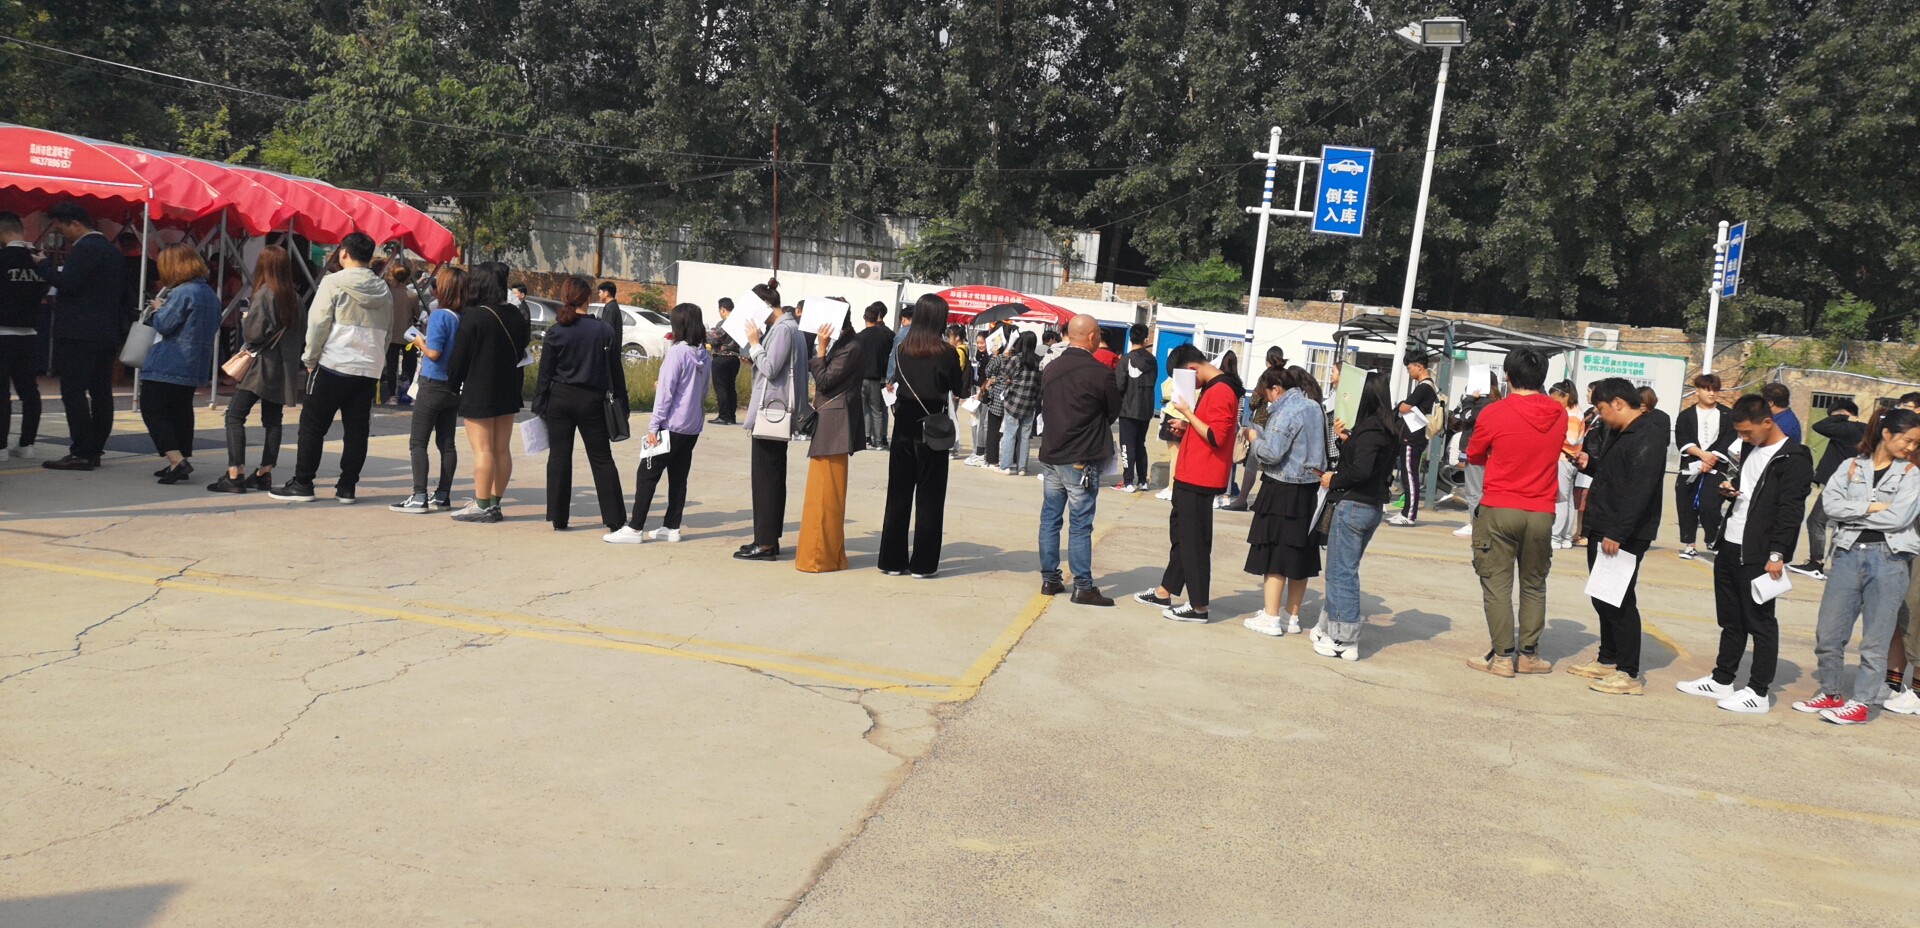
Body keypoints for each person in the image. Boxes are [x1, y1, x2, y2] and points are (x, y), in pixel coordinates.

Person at [1676, 394, 1815, 714]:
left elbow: (1791, 510)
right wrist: (1730, 488)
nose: (1743, 438)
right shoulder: (1753, 448)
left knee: (1760, 621)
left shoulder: (1794, 458)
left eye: (1747, 432)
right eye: (1739, 433)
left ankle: (1758, 691)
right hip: (1730, 542)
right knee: (1730, 618)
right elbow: (1748, 485)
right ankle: (1722, 679)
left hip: (1760, 550)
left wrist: (1778, 554)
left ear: (1767, 422)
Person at [1788, 409, 1920, 724]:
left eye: (1916, 443)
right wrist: (1872, 506)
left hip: (1889, 558)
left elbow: (1899, 518)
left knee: (1876, 637)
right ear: (1887, 434)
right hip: (1847, 554)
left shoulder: (1911, 474)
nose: (1911, 448)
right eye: (1908, 440)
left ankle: (1861, 703)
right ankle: (1831, 692)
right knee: (1828, 633)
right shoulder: (1850, 466)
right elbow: (1830, 506)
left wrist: (1852, 513)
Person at [1464, 347, 1566, 677]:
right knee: (1534, 584)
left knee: (1497, 585)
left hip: (1500, 506)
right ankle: (1529, 654)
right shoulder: (1559, 413)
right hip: (1541, 510)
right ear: (1543, 377)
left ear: (1507, 376)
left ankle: (1503, 657)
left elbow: (1474, 454)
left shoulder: (1494, 412)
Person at [269, 234, 393, 503]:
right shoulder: (384, 289)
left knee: (312, 426)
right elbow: (388, 331)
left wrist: (310, 359)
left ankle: (303, 483)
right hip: (368, 368)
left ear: (344, 253)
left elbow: (318, 324)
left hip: (334, 364)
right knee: (357, 430)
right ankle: (347, 488)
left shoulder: (333, 282)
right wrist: (377, 362)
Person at [1565, 378, 1666, 695]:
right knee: (1602, 595)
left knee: (1619, 598)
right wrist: (1590, 463)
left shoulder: (1648, 434)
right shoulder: (1620, 431)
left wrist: (1618, 533)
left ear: (1619, 403)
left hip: (1623, 531)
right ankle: (1608, 657)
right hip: (1604, 523)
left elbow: (1640, 489)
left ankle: (1629, 672)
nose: (1601, 415)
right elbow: (1615, 474)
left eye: (1602, 408)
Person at [1134, 344, 1242, 622]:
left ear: (1193, 369)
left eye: (1184, 379)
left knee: (1194, 541)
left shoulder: (1221, 390)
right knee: (1182, 536)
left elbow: (1216, 436)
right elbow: (1208, 428)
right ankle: (1165, 590)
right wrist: (1187, 425)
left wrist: (1188, 413)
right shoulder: (1214, 387)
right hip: (1192, 472)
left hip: (1201, 475)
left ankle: (1199, 606)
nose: (1187, 387)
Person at [1314, 371, 1401, 660]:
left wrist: (1333, 479)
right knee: (1342, 570)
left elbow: (1361, 470)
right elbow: (1368, 464)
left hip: (1353, 505)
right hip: (1371, 506)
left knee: (1341, 573)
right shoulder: (1387, 429)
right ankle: (1327, 627)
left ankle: (1344, 638)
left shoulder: (1370, 430)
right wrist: (1346, 440)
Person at [1037, 315, 1122, 606]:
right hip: (1080, 459)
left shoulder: (1051, 367)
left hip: (1052, 454)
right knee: (1080, 524)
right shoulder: (1100, 373)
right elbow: (1112, 412)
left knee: (1050, 519)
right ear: (1092, 336)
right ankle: (1083, 585)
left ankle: (1050, 578)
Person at [609, 303, 711, 544]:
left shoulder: (677, 352)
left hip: (671, 425)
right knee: (678, 476)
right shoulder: (704, 355)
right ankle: (672, 526)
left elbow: (666, 393)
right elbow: (703, 390)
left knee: (647, 474)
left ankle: (635, 528)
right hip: (692, 426)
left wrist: (654, 425)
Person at [36, 202, 127, 471]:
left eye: (62, 228)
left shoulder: (85, 249)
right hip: (106, 332)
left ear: (75, 224)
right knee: (101, 392)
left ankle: (82, 451)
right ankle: (95, 448)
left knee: (73, 391)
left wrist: (43, 265)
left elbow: (67, 283)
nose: (62, 234)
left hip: (79, 332)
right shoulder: (112, 252)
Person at [879, 294, 965, 578]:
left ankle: (892, 561)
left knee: (898, 494)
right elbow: (958, 388)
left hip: (904, 424)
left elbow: (894, 380)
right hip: (933, 427)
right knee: (930, 497)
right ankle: (923, 564)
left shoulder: (902, 348)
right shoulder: (947, 352)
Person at [531, 276, 624, 533]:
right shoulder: (604, 331)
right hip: (592, 400)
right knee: (602, 458)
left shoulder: (556, 331)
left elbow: (545, 373)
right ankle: (615, 519)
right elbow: (615, 370)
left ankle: (558, 517)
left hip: (560, 398)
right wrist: (622, 401)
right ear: (587, 299)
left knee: (559, 457)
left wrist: (539, 402)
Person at [1240, 366, 1328, 636]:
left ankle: (1271, 617)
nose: (1267, 400)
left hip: (1282, 488)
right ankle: (1292, 616)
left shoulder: (1287, 411)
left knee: (1275, 554)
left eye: (1267, 394)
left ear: (1276, 389)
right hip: (1309, 489)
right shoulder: (1314, 407)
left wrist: (1254, 439)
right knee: (1299, 555)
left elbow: (1271, 453)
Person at [439, 261, 529, 521]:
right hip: (509, 386)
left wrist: (452, 385)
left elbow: (460, 358)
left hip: (479, 388)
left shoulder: (476, 316)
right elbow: (522, 347)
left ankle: (480, 504)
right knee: (501, 448)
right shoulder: (515, 314)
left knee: (483, 449)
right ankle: (495, 503)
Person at [210, 247, 304, 494]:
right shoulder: (295, 298)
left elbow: (254, 334)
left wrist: (246, 318)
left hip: (261, 365)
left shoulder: (265, 294)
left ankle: (235, 474)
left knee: (234, 415)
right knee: (273, 420)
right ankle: (264, 472)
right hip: (284, 367)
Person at [737, 281, 809, 561]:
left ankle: (765, 543)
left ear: (765, 306)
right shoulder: (790, 327)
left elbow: (771, 367)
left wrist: (755, 345)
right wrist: (756, 354)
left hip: (772, 413)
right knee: (773, 477)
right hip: (776, 411)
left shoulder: (782, 329)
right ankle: (768, 539)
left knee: (766, 479)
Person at [139, 245, 222, 485]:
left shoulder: (182, 292)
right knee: (181, 410)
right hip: (196, 361)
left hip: (170, 360)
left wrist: (158, 309)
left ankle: (176, 459)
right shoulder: (209, 293)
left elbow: (164, 325)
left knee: (153, 409)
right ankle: (181, 457)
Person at [389, 267, 465, 512]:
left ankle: (419, 495)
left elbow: (433, 352)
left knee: (418, 442)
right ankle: (442, 494)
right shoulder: (463, 317)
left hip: (432, 383)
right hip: (452, 386)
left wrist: (419, 341)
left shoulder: (440, 316)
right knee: (447, 442)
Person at [796, 314, 866, 572]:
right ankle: (827, 555)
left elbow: (825, 381)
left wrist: (822, 349)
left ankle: (819, 558)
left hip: (835, 422)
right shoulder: (846, 342)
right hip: (832, 420)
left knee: (825, 493)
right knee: (823, 490)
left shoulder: (851, 346)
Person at [1791, 399, 1866, 580]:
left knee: (1816, 521)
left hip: (1838, 485)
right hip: (1853, 484)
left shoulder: (1847, 428)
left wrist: (1841, 418)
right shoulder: (1865, 429)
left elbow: (1819, 426)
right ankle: (1841, 566)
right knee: (1841, 526)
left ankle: (1816, 563)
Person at [0, 212, 49, 460]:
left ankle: (0, 446)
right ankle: (27, 443)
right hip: (29, 332)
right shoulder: (39, 261)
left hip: (2, 332)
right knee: (29, 390)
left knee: (2, 392)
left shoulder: (2, 259)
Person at [1673, 373, 1736, 559]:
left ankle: (1712, 538)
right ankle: (1689, 544)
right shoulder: (1686, 415)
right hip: (1691, 465)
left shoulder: (1727, 415)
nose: (1711, 393)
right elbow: (1682, 439)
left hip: (1716, 467)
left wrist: (1712, 459)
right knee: (1686, 504)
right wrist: (1701, 455)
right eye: (1707, 389)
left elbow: (1729, 438)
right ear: (1697, 391)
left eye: (1715, 390)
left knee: (1710, 505)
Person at [1388, 353, 1438, 526]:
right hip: (1413, 436)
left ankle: (1409, 514)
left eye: (1409, 368)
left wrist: (1402, 405)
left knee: (1410, 475)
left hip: (1413, 436)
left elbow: (1404, 407)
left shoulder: (1424, 387)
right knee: (1408, 475)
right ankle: (1406, 511)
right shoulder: (1428, 386)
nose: (1408, 371)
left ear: (1419, 367)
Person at [1115, 323, 1155, 492]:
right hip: (1146, 408)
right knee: (1140, 444)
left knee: (1127, 445)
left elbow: (1119, 385)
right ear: (1146, 339)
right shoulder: (1152, 360)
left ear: (1131, 338)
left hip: (1128, 408)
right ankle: (1143, 480)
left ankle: (1128, 481)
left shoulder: (1126, 360)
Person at [995, 332, 1042, 475]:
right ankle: (1022, 467)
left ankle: (1006, 465)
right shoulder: (1038, 361)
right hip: (1029, 402)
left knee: (1010, 434)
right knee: (1025, 436)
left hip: (1013, 401)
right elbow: (1039, 382)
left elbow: (1004, 375)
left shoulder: (1016, 359)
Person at [1549, 381, 1585, 549]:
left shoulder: (1571, 414)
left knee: (1561, 499)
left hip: (1564, 459)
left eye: (1556, 400)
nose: (1555, 403)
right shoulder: (1576, 412)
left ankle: (1555, 537)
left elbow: (1571, 439)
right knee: (1568, 500)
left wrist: (1553, 433)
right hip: (1569, 460)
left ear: (1566, 396)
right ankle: (1565, 537)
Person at [854, 302, 893, 450]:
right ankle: (878, 441)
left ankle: (865, 437)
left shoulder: (859, 337)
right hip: (877, 378)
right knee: (877, 411)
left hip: (861, 377)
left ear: (864, 317)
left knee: (863, 409)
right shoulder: (885, 336)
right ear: (878, 317)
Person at [707, 297, 741, 425]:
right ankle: (731, 416)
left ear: (722, 309)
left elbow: (714, 339)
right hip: (734, 358)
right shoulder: (739, 322)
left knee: (721, 387)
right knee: (731, 387)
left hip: (721, 358)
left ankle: (723, 416)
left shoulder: (724, 323)